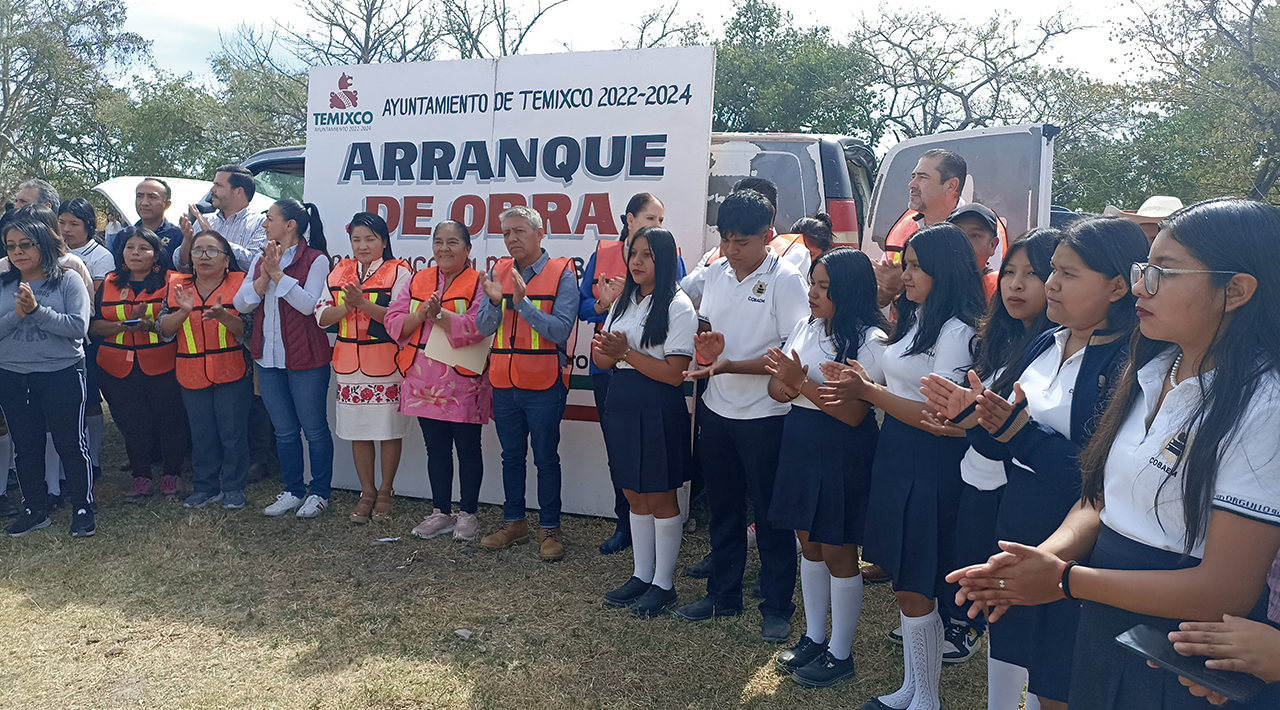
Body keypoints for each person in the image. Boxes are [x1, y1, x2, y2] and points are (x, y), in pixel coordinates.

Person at [947, 198, 1280, 710]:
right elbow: (1098, 498)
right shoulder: (1150, 367)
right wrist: (1044, 558)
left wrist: (1064, 580)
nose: (1143, 286)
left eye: (1164, 272)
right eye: (1145, 268)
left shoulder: (1262, 404)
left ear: (1236, 290)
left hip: (1183, 642)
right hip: (1104, 612)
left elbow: (1225, 589)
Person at [926, 217, 1148, 709]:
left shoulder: (1130, 365)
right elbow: (1010, 431)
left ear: (1117, 286)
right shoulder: (1048, 343)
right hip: (1018, 514)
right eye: (1055, 271)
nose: (1050, 284)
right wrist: (976, 418)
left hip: (1078, 537)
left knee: (1058, 678)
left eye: (1067, 274)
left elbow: (1107, 475)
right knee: (1009, 645)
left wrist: (1019, 435)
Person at [819, 223, 985, 710]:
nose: (904, 275)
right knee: (905, 583)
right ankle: (913, 688)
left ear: (945, 270)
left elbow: (938, 418)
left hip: (930, 464)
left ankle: (926, 698)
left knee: (918, 583)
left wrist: (867, 392)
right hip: (896, 456)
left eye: (915, 266)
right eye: (905, 264)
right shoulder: (916, 320)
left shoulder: (960, 332)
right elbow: (902, 388)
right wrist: (864, 379)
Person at [918, 228, 1055, 699]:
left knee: (1019, 618)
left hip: (1014, 495)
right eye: (1010, 272)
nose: (1015, 285)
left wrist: (978, 420)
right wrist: (962, 421)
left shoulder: (1054, 350)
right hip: (977, 480)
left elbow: (1022, 432)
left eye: (1033, 274)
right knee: (999, 611)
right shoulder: (1003, 340)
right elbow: (991, 423)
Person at [673, 189, 810, 643]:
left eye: (742, 242)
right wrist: (707, 349)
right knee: (725, 510)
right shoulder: (716, 273)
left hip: (767, 415)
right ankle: (723, 594)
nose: (732, 250)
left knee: (772, 517)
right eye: (726, 240)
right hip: (717, 409)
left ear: (768, 236)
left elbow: (795, 352)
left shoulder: (787, 280)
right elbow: (710, 332)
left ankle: (776, 605)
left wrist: (729, 364)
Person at [765, 247, 887, 688]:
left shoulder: (871, 341)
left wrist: (798, 383)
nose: (814, 293)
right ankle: (815, 637)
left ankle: (840, 652)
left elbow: (853, 414)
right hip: (799, 440)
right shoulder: (806, 325)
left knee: (837, 550)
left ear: (850, 292)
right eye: (814, 283)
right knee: (808, 543)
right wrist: (786, 386)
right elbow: (779, 383)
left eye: (825, 287)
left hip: (842, 449)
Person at [594, 227, 696, 618]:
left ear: (665, 259)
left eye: (647, 255)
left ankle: (664, 584)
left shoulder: (678, 305)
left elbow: (674, 374)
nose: (636, 262)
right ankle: (641, 574)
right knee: (635, 493)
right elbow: (604, 359)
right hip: (622, 401)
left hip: (658, 405)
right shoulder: (623, 301)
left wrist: (625, 353)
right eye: (633, 253)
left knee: (660, 496)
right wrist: (608, 352)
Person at [476, 205, 580, 561]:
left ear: (539, 233)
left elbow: (562, 330)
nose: (512, 239)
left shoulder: (562, 272)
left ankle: (550, 528)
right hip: (504, 382)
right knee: (511, 457)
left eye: (519, 231)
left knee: (546, 459)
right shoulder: (497, 270)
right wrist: (494, 302)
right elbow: (483, 327)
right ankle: (514, 523)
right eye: (506, 233)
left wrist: (523, 306)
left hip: (544, 383)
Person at [387, 220, 491, 542]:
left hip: (463, 382)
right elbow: (393, 319)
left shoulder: (479, 282)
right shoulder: (418, 279)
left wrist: (440, 317)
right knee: (437, 450)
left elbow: (481, 325)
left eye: (453, 243)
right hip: (423, 381)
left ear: (468, 249)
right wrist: (420, 316)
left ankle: (468, 513)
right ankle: (441, 512)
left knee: (468, 449)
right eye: (438, 242)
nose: (444, 249)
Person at [233, 200, 334, 519]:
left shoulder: (316, 260)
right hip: (268, 357)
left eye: (270, 219)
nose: (264, 225)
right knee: (284, 431)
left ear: (290, 225)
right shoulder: (263, 258)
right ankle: (292, 489)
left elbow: (308, 306)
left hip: (307, 358)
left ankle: (319, 492)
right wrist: (265, 277)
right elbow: (242, 303)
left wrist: (278, 275)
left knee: (314, 430)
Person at [580, 192, 666, 556]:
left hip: (649, 373)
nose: (656, 227)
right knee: (619, 449)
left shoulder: (667, 255)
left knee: (648, 454)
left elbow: (672, 298)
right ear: (629, 220)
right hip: (607, 369)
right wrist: (604, 303)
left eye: (660, 221)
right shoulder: (602, 253)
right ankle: (625, 522)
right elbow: (583, 306)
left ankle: (652, 523)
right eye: (650, 219)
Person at [0, 216, 94, 537]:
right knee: (25, 447)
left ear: (43, 245)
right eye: (11, 246)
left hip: (62, 373)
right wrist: (18, 315)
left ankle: (82, 507)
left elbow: (77, 328)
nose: (17, 252)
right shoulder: (2, 282)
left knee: (70, 443)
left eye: (25, 245)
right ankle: (34, 509)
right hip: (13, 376)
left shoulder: (68, 281)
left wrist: (37, 310)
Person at [317, 213, 413, 523]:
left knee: (387, 430)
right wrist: (347, 306)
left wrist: (362, 304)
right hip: (349, 364)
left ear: (384, 242)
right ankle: (366, 491)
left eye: (370, 239)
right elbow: (321, 316)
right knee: (359, 430)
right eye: (356, 240)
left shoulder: (399, 272)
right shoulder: (339, 271)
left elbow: (401, 318)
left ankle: (386, 490)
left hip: (385, 362)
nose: (363, 245)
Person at [90, 227, 188, 502]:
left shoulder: (173, 281)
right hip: (116, 366)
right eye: (129, 247)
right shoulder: (109, 282)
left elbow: (179, 320)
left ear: (156, 255)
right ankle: (141, 476)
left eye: (143, 248)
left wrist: (151, 326)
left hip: (162, 363)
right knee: (134, 424)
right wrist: (122, 325)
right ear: (121, 253)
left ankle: (172, 474)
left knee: (170, 420)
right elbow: (93, 325)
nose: (135, 253)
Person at [160, 231, 253, 509]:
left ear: (227, 260)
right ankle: (205, 487)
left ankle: (235, 487)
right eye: (198, 251)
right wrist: (183, 312)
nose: (203, 256)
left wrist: (224, 315)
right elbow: (163, 329)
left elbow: (245, 330)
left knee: (233, 432)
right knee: (201, 433)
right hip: (191, 371)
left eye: (211, 251)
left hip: (232, 371)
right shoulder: (178, 286)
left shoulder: (239, 286)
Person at [56, 198, 111, 495]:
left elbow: (96, 302)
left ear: (89, 226)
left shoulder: (99, 256)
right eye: (62, 223)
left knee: (89, 397)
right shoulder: (47, 252)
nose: (66, 230)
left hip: (88, 335)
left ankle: (95, 457)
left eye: (74, 224)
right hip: (56, 335)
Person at [874, 149, 967, 308]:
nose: (912, 185)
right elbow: (881, 299)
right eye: (913, 176)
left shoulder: (976, 230)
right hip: (906, 329)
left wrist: (901, 284)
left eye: (923, 177)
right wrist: (886, 290)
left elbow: (976, 296)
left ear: (951, 185)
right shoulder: (904, 227)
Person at [178, 165, 266, 268]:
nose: (212, 190)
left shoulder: (261, 223)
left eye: (218, 185)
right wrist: (187, 241)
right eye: (214, 184)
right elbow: (182, 266)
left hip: (238, 284)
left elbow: (254, 264)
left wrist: (213, 236)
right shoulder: (206, 219)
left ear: (238, 191)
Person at [947, 203, 1004, 301]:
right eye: (957, 234)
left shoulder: (1001, 290)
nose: (964, 241)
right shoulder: (930, 281)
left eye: (974, 235)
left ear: (992, 245)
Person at [126, 178, 183, 257]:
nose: (144, 202)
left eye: (152, 197)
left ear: (167, 204)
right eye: (140, 196)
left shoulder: (178, 237)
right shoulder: (124, 234)